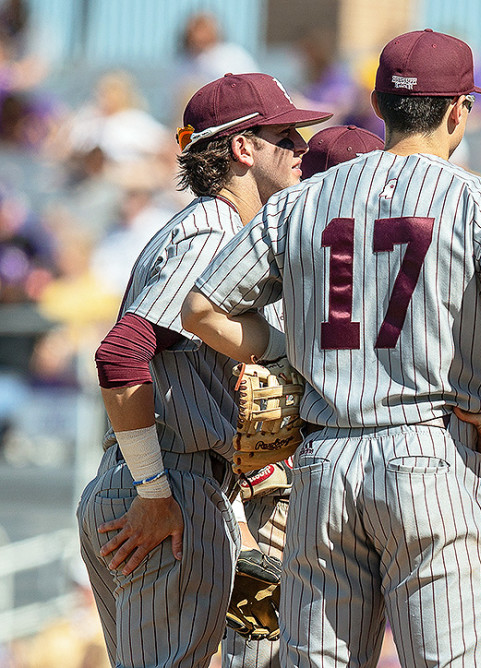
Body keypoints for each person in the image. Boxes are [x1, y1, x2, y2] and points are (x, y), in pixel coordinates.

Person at [181, 29, 481, 667]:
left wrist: (286, 349)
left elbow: (202, 308)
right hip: (430, 449)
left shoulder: (302, 200)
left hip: (325, 457)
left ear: (380, 105)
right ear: (457, 112)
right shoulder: (475, 199)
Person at [77, 72, 328, 668]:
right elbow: (119, 353)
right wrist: (155, 490)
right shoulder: (212, 233)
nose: (301, 149)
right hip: (168, 487)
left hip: (158, 483)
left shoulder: (201, 228)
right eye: (286, 135)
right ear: (244, 147)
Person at [225, 123, 383, 668]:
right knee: (262, 651)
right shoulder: (276, 262)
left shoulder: (280, 250)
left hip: (306, 486)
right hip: (273, 494)